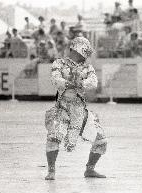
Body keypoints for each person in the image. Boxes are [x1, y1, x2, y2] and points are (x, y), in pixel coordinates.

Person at [44, 37, 107, 180]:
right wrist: (71, 84)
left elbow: (93, 83)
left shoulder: (87, 67)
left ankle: (90, 169)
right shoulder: (59, 63)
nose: (85, 54)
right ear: (75, 48)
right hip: (62, 107)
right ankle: (51, 170)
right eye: (84, 50)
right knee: (54, 137)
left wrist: (81, 83)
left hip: (80, 109)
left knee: (101, 139)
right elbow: (55, 80)